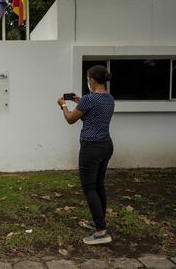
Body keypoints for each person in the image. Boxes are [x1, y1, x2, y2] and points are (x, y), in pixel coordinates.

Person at [57, 65, 115, 245]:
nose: (87, 82)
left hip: (91, 148)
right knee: (99, 185)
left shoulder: (89, 99)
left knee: (89, 188)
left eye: (87, 79)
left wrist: (64, 104)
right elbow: (93, 111)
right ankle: (99, 222)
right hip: (106, 145)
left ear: (91, 81)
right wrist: (79, 101)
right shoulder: (109, 98)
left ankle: (101, 231)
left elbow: (70, 119)